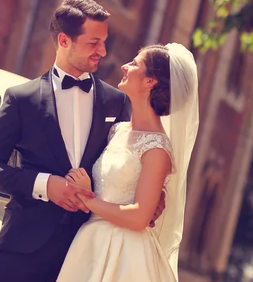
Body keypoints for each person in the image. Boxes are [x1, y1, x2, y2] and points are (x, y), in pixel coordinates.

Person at [0, 0, 164, 282]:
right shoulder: (21, 99)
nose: (103, 50)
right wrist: (46, 185)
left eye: (103, 41)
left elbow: (132, 165)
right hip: (23, 252)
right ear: (64, 41)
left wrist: (154, 199)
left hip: (89, 255)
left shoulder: (117, 102)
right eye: (93, 43)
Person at [56, 43, 199, 281]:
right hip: (90, 243)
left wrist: (86, 198)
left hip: (124, 253)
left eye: (134, 64)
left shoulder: (157, 148)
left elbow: (139, 217)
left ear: (150, 82)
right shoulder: (117, 131)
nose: (124, 65)